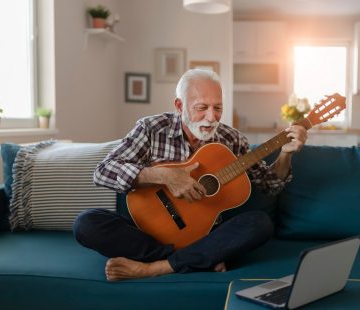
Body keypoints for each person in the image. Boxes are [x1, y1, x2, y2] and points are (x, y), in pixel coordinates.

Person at [73, 69, 307, 281]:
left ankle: (154, 268)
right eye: (202, 107)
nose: (211, 117)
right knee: (86, 223)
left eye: (218, 108)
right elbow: (103, 172)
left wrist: (285, 154)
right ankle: (194, 260)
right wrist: (164, 176)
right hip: (143, 233)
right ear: (179, 105)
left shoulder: (232, 140)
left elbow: (270, 185)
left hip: (203, 235)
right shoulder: (151, 129)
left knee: (260, 224)